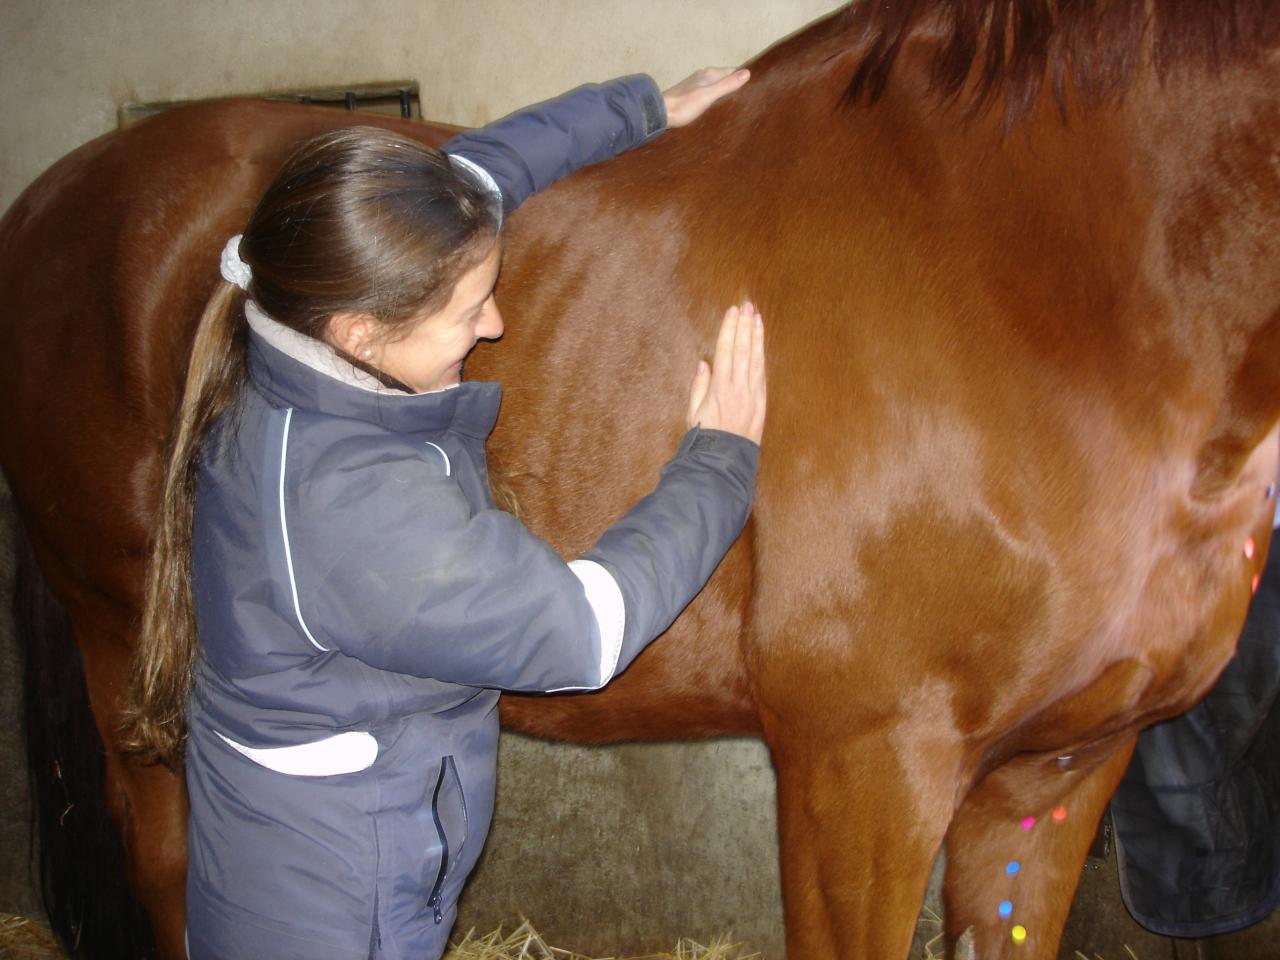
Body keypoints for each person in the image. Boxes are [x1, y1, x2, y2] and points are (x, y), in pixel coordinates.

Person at [122, 66, 765, 960]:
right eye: (469, 308)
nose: (495, 324)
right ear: (363, 333)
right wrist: (722, 459)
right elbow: (583, 634)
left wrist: (646, 108)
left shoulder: (305, 319)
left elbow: (475, 177)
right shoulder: (347, 505)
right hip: (344, 919)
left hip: (333, 868)